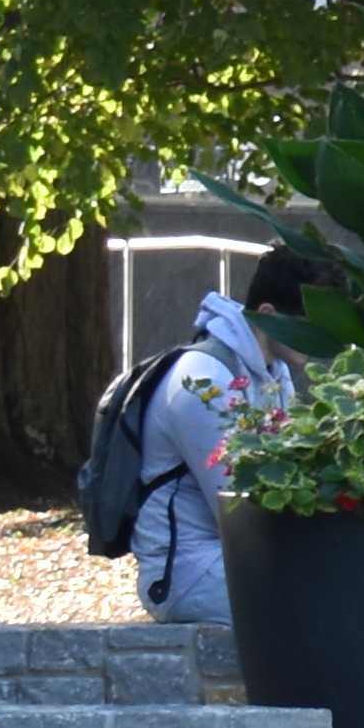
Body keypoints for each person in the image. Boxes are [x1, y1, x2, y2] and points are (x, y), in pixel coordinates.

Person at [138, 253, 309, 628]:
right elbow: (238, 515)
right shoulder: (202, 379)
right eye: (312, 325)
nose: (322, 340)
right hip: (188, 573)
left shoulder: (274, 373)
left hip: (237, 560)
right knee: (328, 603)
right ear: (270, 313)